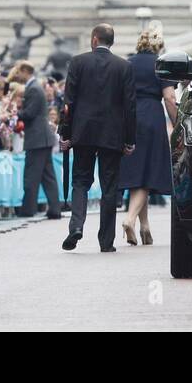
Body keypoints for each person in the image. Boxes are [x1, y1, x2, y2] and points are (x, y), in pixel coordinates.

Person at [60, 23, 136, 253]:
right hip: (112, 134)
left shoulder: (78, 62)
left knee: (81, 181)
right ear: (110, 41)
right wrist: (129, 139)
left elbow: (68, 103)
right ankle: (106, 241)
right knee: (109, 187)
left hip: (82, 133)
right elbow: (130, 106)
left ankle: (76, 226)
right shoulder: (124, 66)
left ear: (94, 39)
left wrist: (66, 134)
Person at [118, 26, 177, 245]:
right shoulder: (161, 64)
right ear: (159, 45)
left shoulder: (127, 63)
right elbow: (170, 98)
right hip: (152, 116)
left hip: (130, 118)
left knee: (139, 171)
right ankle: (130, 219)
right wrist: (177, 123)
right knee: (148, 171)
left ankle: (145, 227)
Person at [14, 60, 61, 219]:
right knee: (48, 176)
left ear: (26, 71)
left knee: (31, 175)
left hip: (37, 138)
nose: (17, 75)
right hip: (42, 138)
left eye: (19, 72)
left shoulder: (33, 88)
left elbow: (29, 113)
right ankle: (54, 209)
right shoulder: (34, 87)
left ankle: (28, 209)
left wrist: (15, 113)